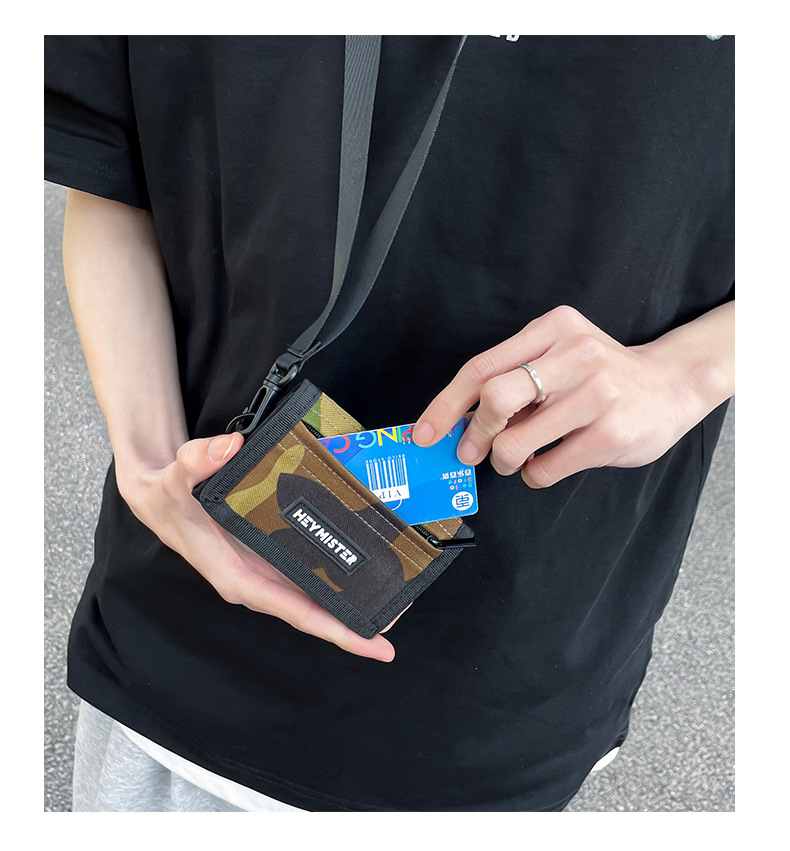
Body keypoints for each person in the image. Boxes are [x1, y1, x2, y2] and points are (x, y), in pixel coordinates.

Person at [45, 35, 734, 812]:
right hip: (191, 624)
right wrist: (147, 466)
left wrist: (691, 371)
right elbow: (109, 160)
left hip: (524, 662)